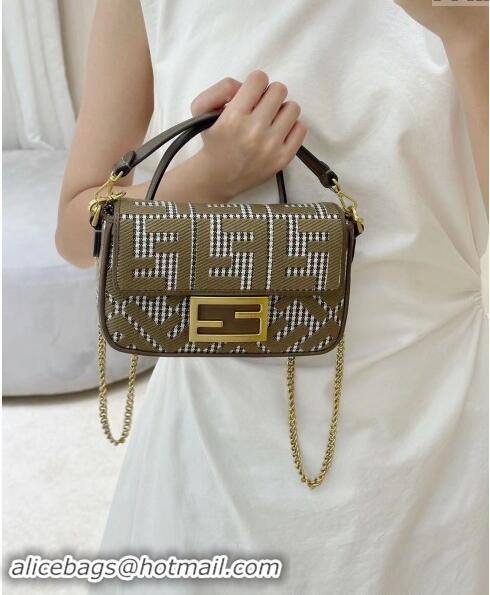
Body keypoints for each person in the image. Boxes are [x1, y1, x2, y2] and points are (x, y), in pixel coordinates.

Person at [56, 0, 488, 592]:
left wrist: (471, 38)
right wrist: (208, 177)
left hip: (432, 446)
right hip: (215, 451)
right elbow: (75, 233)